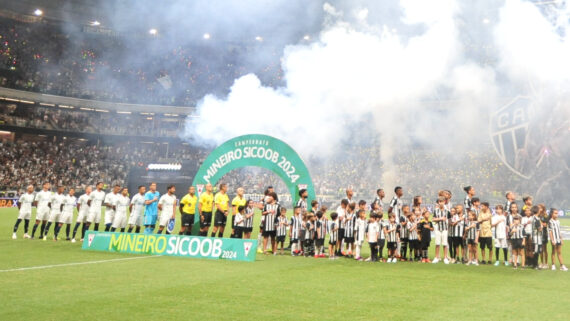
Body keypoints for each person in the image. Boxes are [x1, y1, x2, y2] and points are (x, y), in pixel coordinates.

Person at [432, 197, 450, 264]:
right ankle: (436, 257)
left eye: (442, 202)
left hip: (445, 229)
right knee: (437, 243)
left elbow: (449, 219)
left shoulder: (447, 211)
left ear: (444, 202)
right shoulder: (436, 210)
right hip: (438, 229)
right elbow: (433, 219)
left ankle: (445, 257)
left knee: (445, 244)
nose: (441, 203)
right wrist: (440, 219)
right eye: (440, 202)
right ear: (438, 202)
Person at [388, 186, 403, 257]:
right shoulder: (395, 199)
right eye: (400, 190)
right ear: (397, 192)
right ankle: (394, 252)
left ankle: (398, 252)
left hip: (399, 221)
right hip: (395, 221)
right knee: (395, 237)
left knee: (398, 237)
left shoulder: (400, 200)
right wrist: (391, 218)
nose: (402, 192)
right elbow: (390, 208)